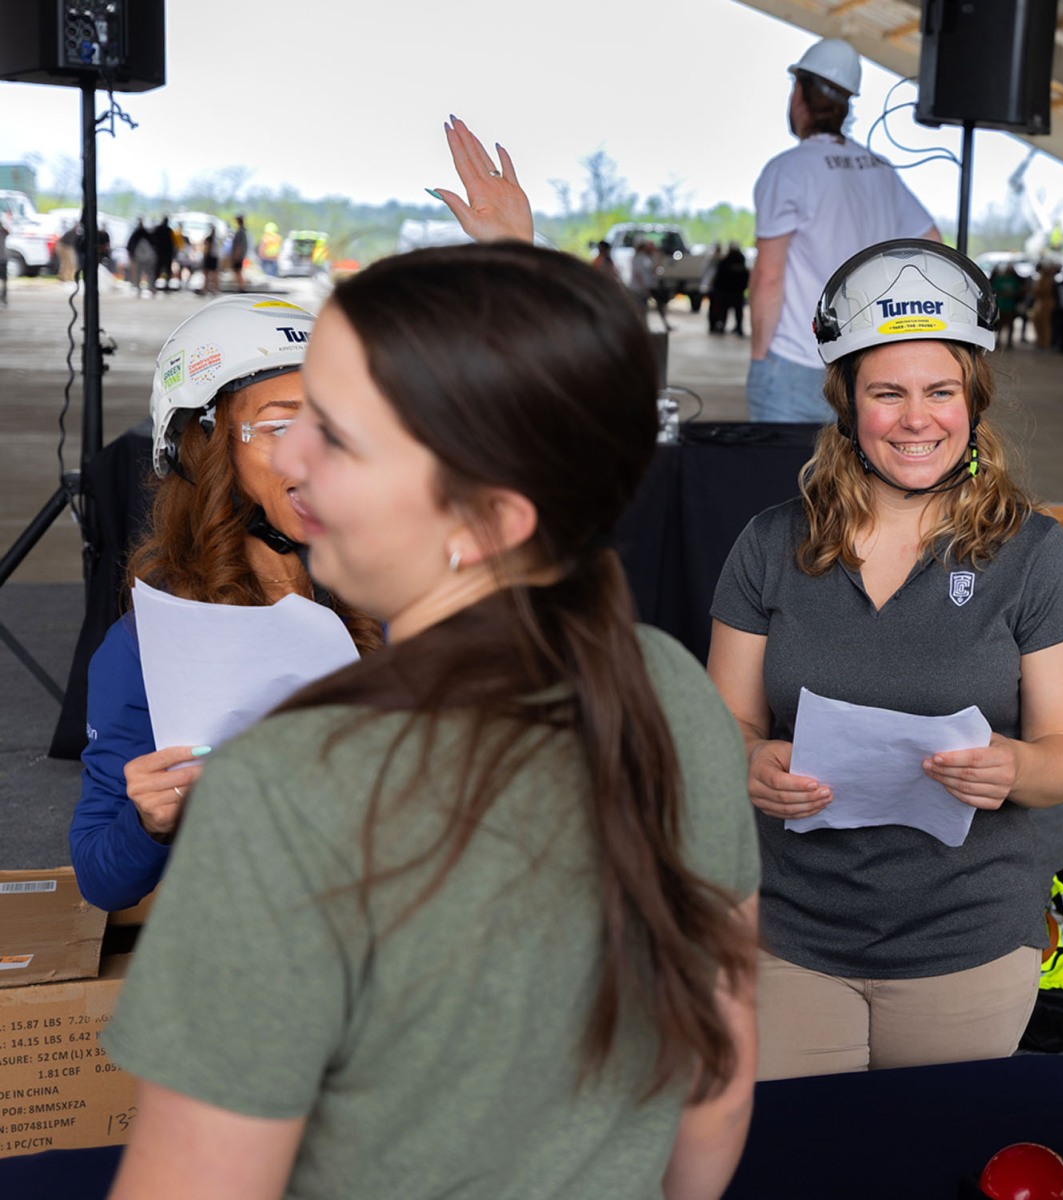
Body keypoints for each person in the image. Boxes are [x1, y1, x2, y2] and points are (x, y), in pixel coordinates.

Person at [100, 242, 761, 1198]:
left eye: (339, 434)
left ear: (489, 517)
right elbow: (714, 1087)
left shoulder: (287, 785)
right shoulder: (665, 685)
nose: (293, 458)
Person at [707, 239, 1063, 1080]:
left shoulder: (1035, 555)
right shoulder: (770, 544)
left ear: (972, 401)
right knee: (804, 1149)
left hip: (968, 941)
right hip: (790, 935)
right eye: (887, 393)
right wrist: (749, 760)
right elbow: (724, 723)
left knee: (934, 1146)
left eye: (940, 391)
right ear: (849, 405)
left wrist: (1014, 767)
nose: (917, 419)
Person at [69, 297, 382, 914]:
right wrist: (150, 820)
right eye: (281, 426)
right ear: (204, 448)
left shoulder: (398, 599)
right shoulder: (150, 647)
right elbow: (101, 878)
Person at [747, 37, 939, 422]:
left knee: (779, 463)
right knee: (850, 465)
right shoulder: (880, 170)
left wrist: (759, 358)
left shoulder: (787, 170)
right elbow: (932, 243)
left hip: (795, 363)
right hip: (861, 365)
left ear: (800, 96)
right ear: (846, 105)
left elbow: (769, 276)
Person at [709, 242, 750, 337]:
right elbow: (746, 277)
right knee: (738, 312)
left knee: (724, 311)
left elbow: (719, 278)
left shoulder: (725, 262)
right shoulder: (741, 263)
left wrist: (719, 290)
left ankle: (723, 326)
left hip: (726, 292)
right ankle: (739, 328)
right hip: (738, 292)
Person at [632, 240, 673, 332]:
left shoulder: (646, 258)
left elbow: (652, 271)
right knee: (641, 308)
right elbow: (638, 274)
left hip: (647, 287)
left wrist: (659, 260)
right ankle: (642, 328)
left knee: (646, 308)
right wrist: (643, 287)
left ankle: (645, 327)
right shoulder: (639, 258)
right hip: (640, 289)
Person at [227, 214, 249, 292]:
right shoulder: (243, 231)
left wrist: (236, 255)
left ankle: (242, 287)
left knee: (238, 271)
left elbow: (239, 245)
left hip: (238, 256)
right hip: (240, 255)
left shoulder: (240, 232)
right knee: (237, 271)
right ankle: (241, 286)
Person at [200, 230, 220, 296]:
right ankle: (215, 289)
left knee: (207, 274)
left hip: (209, 258)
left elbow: (206, 248)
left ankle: (206, 289)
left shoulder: (209, 239)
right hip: (214, 258)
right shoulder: (217, 239)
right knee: (214, 274)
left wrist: (205, 256)